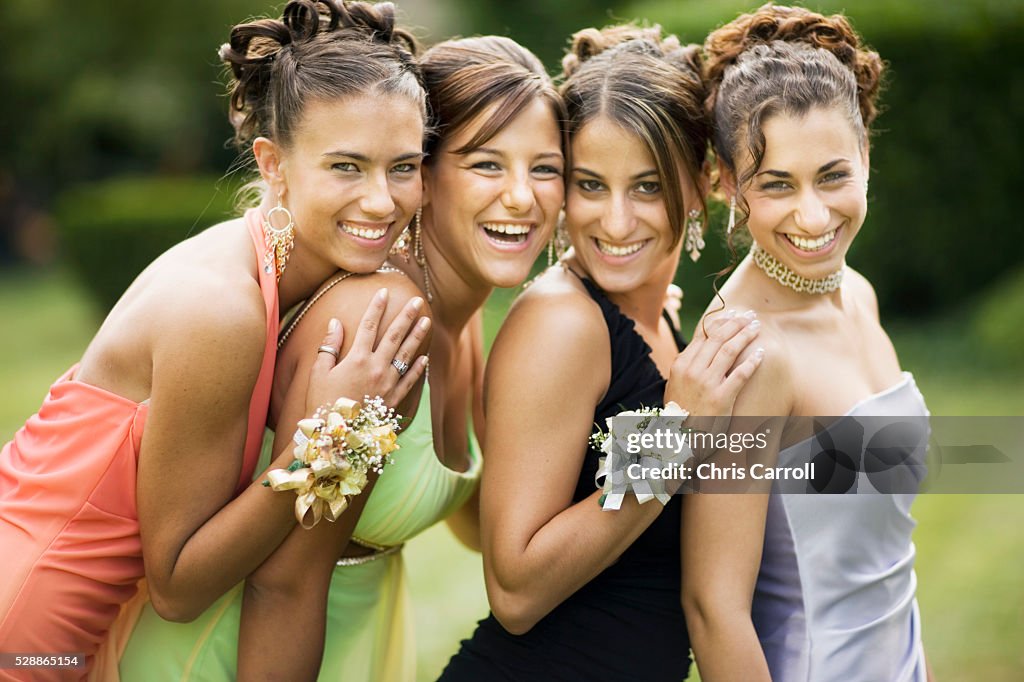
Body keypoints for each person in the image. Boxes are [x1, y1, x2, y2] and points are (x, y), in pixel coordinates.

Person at [0, 1, 432, 679]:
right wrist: (333, 436)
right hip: (27, 628)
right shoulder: (222, 309)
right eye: (347, 166)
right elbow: (179, 586)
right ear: (273, 163)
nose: (383, 200)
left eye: (403, 167)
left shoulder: (279, 271)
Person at [115, 35, 567, 681]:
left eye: (546, 168)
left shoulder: (466, 325)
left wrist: (669, 415)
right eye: (486, 164)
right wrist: (676, 449)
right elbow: (283, 586)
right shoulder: (381, 320)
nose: (522, 196)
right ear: (427, 172)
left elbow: (498, 540)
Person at [439, 25, 764, 681]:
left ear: (701, 183)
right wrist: (675, 438)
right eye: (590, 185)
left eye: (647, 187)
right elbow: (515, 592)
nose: (615, 222)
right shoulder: (560, 324)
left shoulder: (656, 320)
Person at [681, 5, 932, 681]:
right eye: (776, 184)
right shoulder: (748, 352)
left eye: (832, 175)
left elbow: (888, 571)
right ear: (728, 183)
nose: (814, 215)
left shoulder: (858, 293)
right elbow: (712, 609)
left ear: (866, 155)